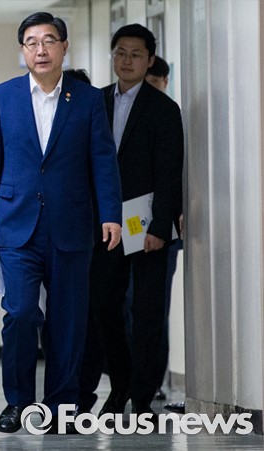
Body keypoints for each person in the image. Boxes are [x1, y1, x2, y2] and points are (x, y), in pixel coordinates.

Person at [0, 12, 122, 434]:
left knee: (68, 320)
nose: (41, 50)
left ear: (63, 47)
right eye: (32, 42)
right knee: (20, 313)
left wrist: (111, 215)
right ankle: (18, 403)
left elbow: (103, 161)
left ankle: (62, 406)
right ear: (23, 50)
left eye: (49, 41)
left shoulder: (87, 99)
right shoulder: (3, 96)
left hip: (71, 224)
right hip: (16, 225)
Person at [79, 24, 184, 419]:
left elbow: (169, 173)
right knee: (103, 305)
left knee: (147, 313)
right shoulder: (95, 101)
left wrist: (160, 227)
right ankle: (120, 382)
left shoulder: (163, 109)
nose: (127, 60)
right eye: (120, 52)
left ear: (149, 59)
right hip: (105, 226)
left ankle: (141, 396)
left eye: (136, 54)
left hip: (148, 229)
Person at [145, 54, 185, 411]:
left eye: (156, 84)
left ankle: (153, 380)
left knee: (156, 307)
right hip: (126, 227)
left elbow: (174, 174)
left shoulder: (171, 114)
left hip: (163, 230)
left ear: (165, 82)